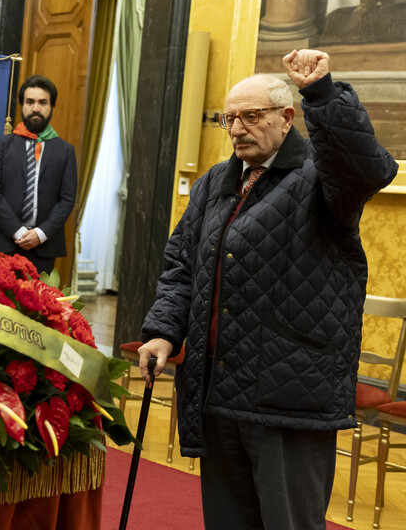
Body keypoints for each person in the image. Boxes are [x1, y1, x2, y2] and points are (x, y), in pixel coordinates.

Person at [138, 50, 397, 529]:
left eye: (251, 116)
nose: (237, 128)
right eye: (229, 118)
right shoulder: (217, 180)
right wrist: (163, 331)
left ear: (287, 117)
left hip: (289, 394)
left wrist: (323, 92)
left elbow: (370, 168)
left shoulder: (322, 177)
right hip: (218, 386)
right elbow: (181, 265)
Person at [0, 75, 77, 274]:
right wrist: (19, 231)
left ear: (52, 107)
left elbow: (66, 200)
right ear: (22, 105)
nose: (36, 108)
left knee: (36, 304)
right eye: (30, 102)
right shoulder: (3, 145)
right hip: (4, 243)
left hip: (42, 248)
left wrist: (40, 234)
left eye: (43, 102)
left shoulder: (65, 151)